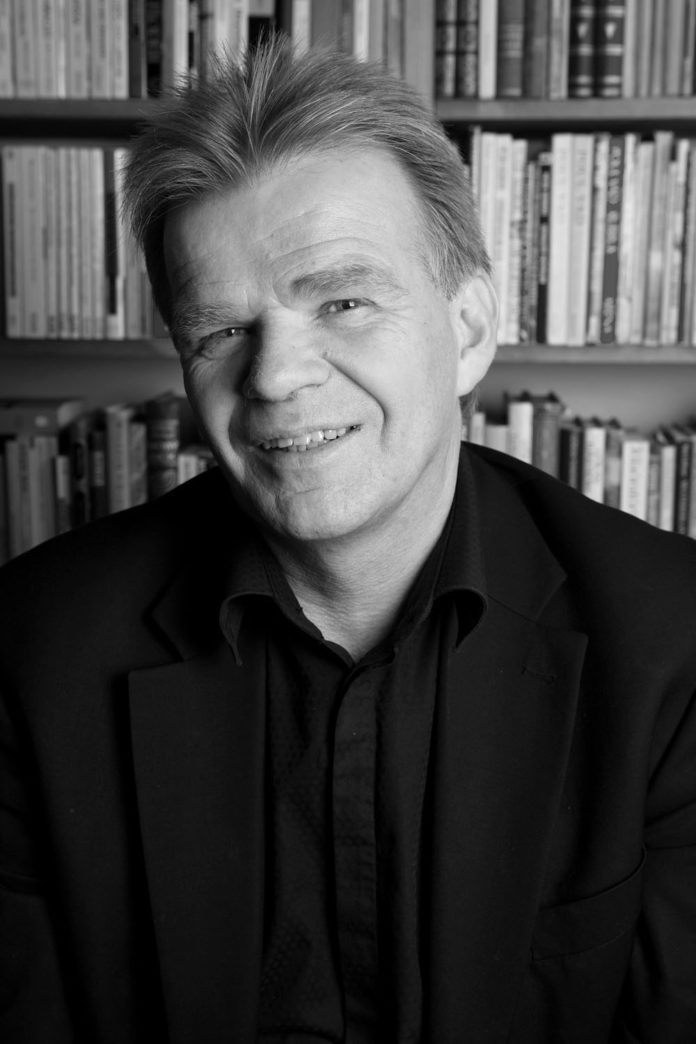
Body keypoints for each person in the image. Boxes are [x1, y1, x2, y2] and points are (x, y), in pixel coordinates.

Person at [1, 36, 695, 1044]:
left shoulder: (675, 644)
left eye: (344, 301)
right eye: (220, 331)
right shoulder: (29, 650)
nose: (276, 376)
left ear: (469, 329)